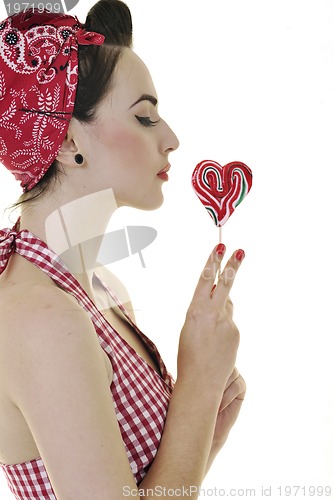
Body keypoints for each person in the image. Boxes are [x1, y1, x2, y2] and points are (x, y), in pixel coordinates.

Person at [0, 0, 246, 498]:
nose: (172, 139)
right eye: (145, 117)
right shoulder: (42, 319)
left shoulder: (103, 291)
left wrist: (204, 439)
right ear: (69, 142)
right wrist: (197, 386)